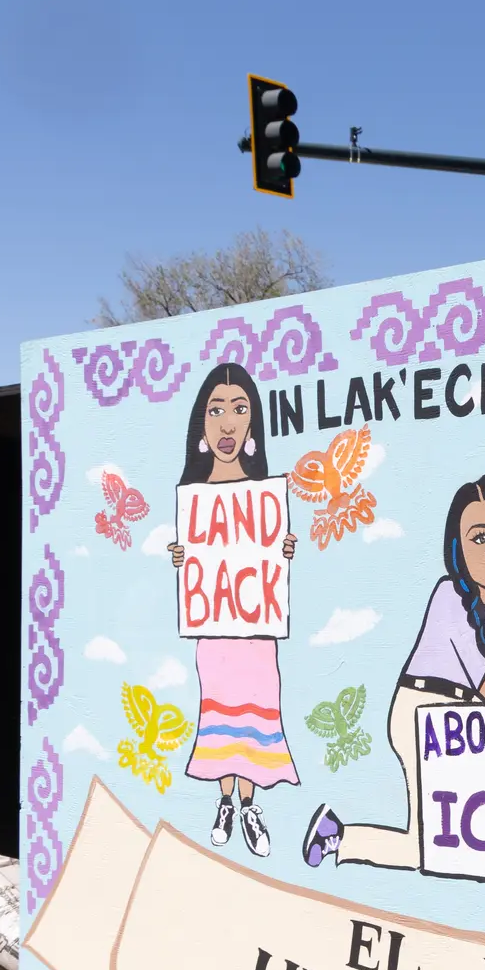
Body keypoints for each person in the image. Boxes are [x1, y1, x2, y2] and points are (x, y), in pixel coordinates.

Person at [302, 475, 485, 870]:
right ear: (458, 551)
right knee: (433, 848)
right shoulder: (451, 597)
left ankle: (335, 834)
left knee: (441, 844)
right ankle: (337, 837)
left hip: (459, 720)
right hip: (424, 714)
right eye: (480, 538)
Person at [166, 363, 298, 859]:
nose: (227, 423)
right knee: (220, 717)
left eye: (239, 409)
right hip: (216, 631)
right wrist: (182, 557)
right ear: (201, 423)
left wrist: (282, 550)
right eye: (216, 410)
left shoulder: (263, 494)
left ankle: (249, 805)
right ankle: (226, 802)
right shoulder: (195, 497)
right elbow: (200, 561)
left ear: (252, 422)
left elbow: (263, 556)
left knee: (256, 718)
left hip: (257, 633)